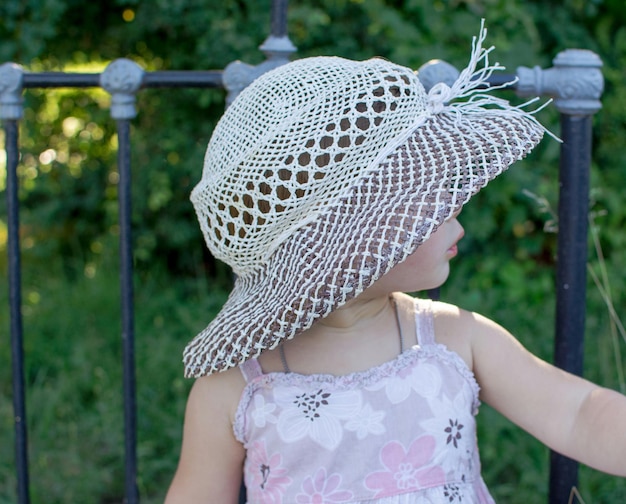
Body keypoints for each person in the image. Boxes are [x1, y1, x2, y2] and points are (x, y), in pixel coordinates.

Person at [165, 22, 626, 503]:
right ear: (356, 232)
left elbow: (577, 414)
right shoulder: (237, 387)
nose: (457, 212)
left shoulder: (452, 339)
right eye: (433, 197)